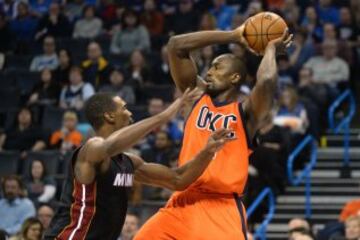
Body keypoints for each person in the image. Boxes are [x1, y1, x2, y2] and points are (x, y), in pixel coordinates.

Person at [134, 21, 292, 240]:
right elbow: (176, 45)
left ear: (235, 77)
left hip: (220, 206)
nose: (208, 72)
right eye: (210, 67)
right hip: (182, 199)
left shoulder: (246, 113)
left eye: (217, 67)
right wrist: (234, 36)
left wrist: (270, 49)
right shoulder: (196, 98)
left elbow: (265, 81)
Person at [44, 90, 231, 239]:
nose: (130, 112)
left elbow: (178, 179)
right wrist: (163, 116)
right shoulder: (92, 148)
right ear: (109, 116)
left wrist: (208, 151)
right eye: (124, 108)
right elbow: (108, 146)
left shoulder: (129, 162)